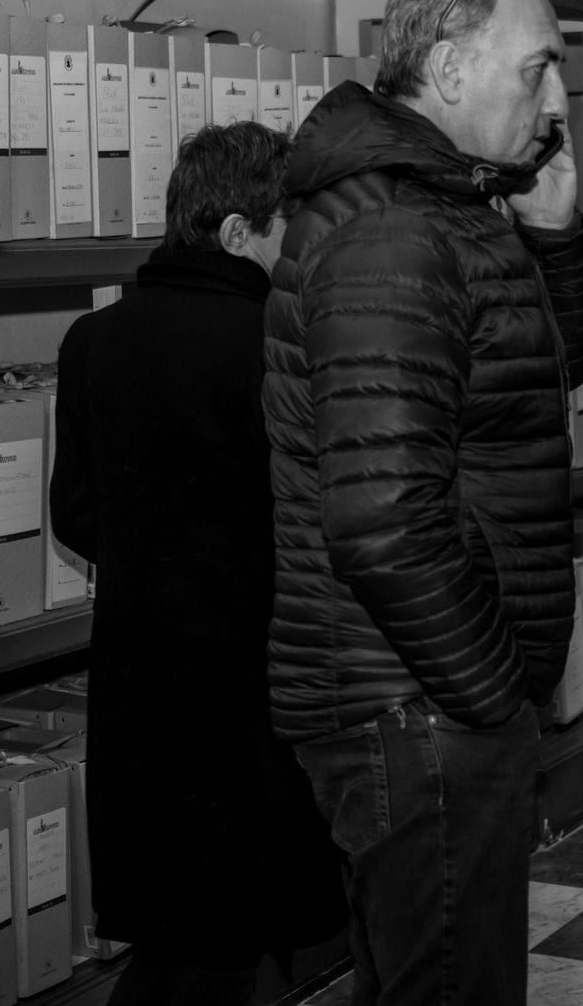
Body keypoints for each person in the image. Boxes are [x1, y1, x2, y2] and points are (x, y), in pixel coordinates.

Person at [263, 0, 583, 1005]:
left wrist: (555, 238)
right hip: (418, 705)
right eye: (537, 68)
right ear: (450, 67)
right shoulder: (394, 230)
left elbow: (533, 379)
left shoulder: (446, 202)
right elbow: (384, 519)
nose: (556, 102)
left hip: (423, 696)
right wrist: (489, 693)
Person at [50, 121, 347, 1005]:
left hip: (139, 682)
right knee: (226, 939)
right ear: (236, 232)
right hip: (254, 684)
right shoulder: (280, 341)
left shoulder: (91, 340)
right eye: (286, 226)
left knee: (174, 933)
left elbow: (75, 511)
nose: (298, 245)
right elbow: (313, 515)